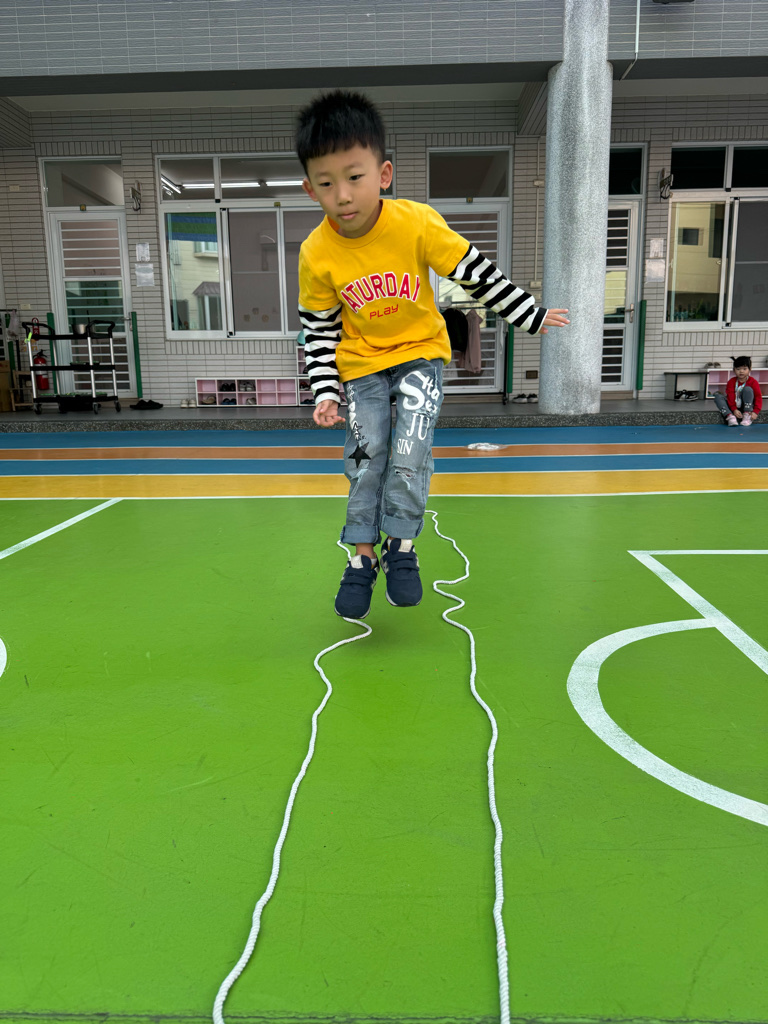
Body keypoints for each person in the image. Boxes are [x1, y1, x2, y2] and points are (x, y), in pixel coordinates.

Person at [295, 90, 569, 618]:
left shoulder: (416, 223)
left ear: (384, 174)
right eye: (326, 184)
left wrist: (528, 314)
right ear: (310, 189)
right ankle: (361, 554)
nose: (343, 195)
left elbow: (475, 271)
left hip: (420, 355)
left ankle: (401, 545)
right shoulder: (316, 252)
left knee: (409, 451)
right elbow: (319, 329)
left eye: (354, 177)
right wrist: (325, 390)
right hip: (362, 366)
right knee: (365, 456)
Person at [713, 356, 762, 427]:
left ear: (750, 369)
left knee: (747, 389)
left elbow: (758, 397)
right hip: (733, 407)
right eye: (738, 369)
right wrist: (734, 409)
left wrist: (756, 411)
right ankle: (730, 416)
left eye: (744, 369)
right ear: (734, 370)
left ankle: (747, 415)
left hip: (747, 407)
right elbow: (730, 396)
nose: (741, 371)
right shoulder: (731, 381)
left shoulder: (753, 382)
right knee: (718, 396)